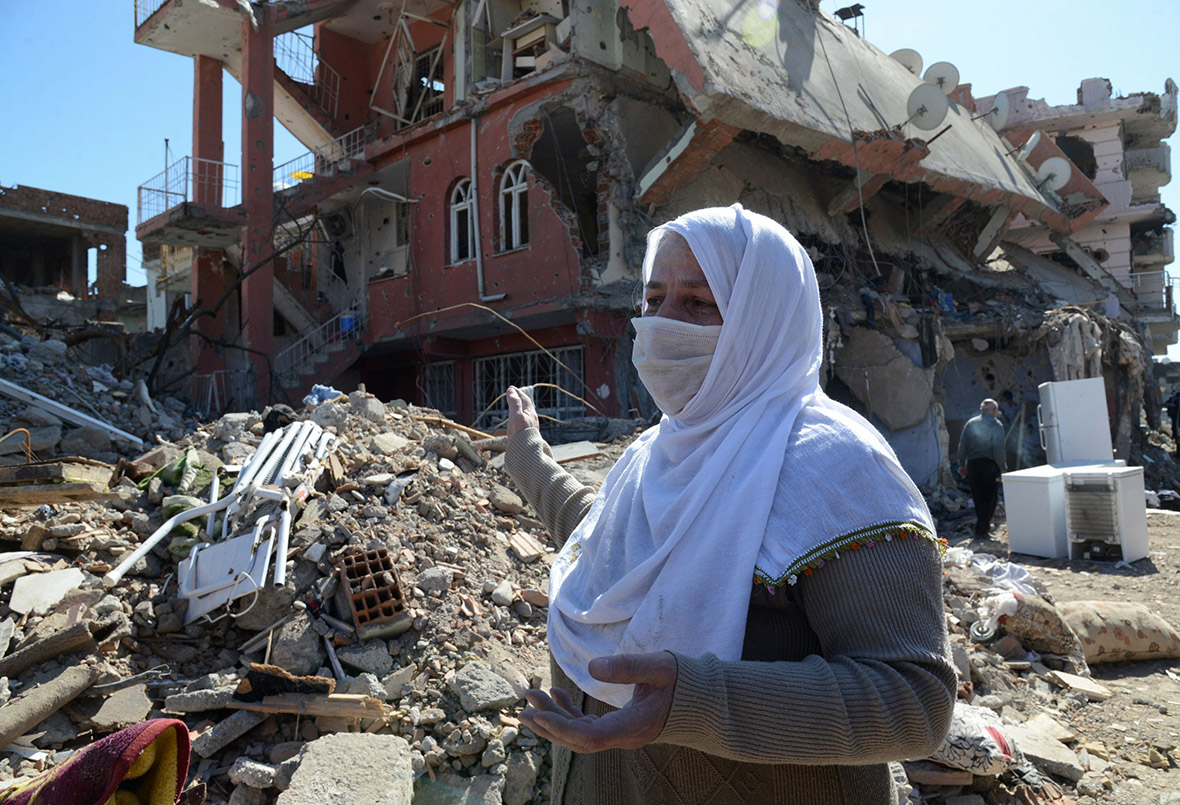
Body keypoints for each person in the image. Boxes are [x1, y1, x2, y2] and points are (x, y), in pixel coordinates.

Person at [503, 204, 954, 804]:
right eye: (654, 299)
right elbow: (609, 545)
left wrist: (693, 703)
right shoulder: (658, 450)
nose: (662, 325)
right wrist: (529, 459)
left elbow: (912, 700)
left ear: (762, 318)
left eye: (698, 304)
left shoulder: (838, 469)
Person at [957, 399, 1007, 539]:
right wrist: (1002, 467)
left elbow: (962, 446)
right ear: (994, 411)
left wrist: (962, 464)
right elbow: (998, 450)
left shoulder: (971, 423)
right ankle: (981, 531)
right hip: (989, 466)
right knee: (990, 498)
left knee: (978, 498)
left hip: (973, 466)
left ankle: (982, 529)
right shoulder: (996, 425)